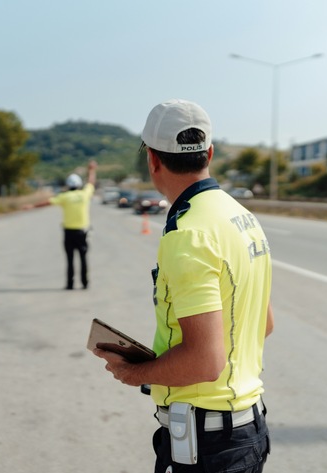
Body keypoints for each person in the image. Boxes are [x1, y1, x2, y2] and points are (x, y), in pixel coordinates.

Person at [93, 99, 274, 472]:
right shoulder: (241, 216)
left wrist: (134, 373)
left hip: (207, 444)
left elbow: (204, 360)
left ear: (153, 161)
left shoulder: (188, 233)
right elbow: (264, 323)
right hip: (245, 431)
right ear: (209, 153)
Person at [45, 160, 97, 290]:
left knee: (70, 259)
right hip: (82, 232)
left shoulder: (64, 196)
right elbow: (90, 182)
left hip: (69, 232)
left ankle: (70, 284)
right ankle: (85, 283)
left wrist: (31, 206)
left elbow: (48, 202)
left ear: (68, 185)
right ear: (79, 185)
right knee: (83, 258)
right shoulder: (84, 194)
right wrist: (91, 170)